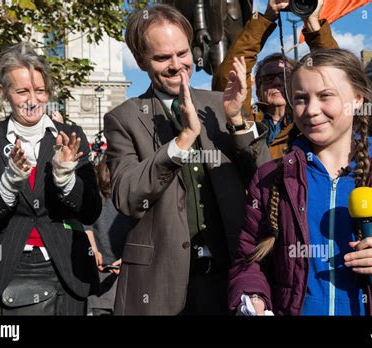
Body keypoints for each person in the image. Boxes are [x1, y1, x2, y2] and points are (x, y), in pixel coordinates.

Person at [228, 48, 372, 316]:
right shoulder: (270, 178)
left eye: (326, 96)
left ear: (359, 98)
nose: (312, 110)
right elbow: (248, 263)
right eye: (301, 98)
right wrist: (253, 297)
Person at [104, 4, 270, 315]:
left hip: (229, 279)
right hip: (158, 286)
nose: (177, 65)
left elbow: (262, 178)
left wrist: (237, 122)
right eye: (162, 57)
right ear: (141, 61)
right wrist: (180, 142)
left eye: (182, 53)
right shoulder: (123, 118)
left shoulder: (221, 104)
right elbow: (127, 197)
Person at [0, 42, 101, 315]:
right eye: (22, 91)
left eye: (40, 91)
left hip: (66, 270)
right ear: (5, 93)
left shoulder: (71, 136)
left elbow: (90, 210)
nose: (32, 100)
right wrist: (8, 183)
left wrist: (65, 177)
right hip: (3, 269)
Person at [213, 0, 339, 159]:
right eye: (269, 78)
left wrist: (312, 22)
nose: (278, 82)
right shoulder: (246, 119)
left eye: (284, 76)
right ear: (257, 90)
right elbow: (229, 75)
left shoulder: (307, 123)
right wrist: (266, 18)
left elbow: (337, 76)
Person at [84, 155, 135, 316]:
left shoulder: (93, 183)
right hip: (122, 267)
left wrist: (93, 250)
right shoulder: (132, 183)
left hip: (103, 267)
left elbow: (86, 223)